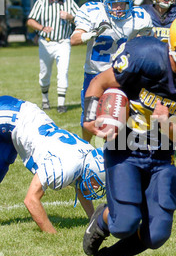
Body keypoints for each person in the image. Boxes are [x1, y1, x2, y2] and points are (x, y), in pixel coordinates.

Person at [82, 11, 176, 256]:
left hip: (161, 155)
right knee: (124, 223)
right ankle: (103, 219)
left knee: (156, 234)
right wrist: (90, 118)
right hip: (125, 146)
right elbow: (99, 82)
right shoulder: (145, 57)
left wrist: (166, 124)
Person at [0, 95, 106, 234]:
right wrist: (53, 235)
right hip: (9, 117)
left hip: (23, 119)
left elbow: (80, 182)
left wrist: (93, 221)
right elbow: (31, 200)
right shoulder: (64, 166)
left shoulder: (86, 156)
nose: (96, 187)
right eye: (96, 181)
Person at [70, 0, 153, 142]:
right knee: (88, 118)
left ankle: (117, 150)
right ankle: (86, 148)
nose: (119, 8)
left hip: (122, 74)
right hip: (95, 73)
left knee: (122, 115)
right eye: (114, 4)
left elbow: (146, 43)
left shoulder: (139, 17)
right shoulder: (93, 12)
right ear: (105, 3)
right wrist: (90, 34)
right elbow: (74, 39)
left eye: (123, 4)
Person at [27, 0, 79, 113]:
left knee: (63, 72)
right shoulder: (41, 2)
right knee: (45, 73)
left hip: (63, 42)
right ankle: (45, 100)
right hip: (46, 43)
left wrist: (70, 17)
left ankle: (61, 104)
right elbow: (30, 20)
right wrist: (42, 28)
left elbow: (80, 19)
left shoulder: (69, 2)